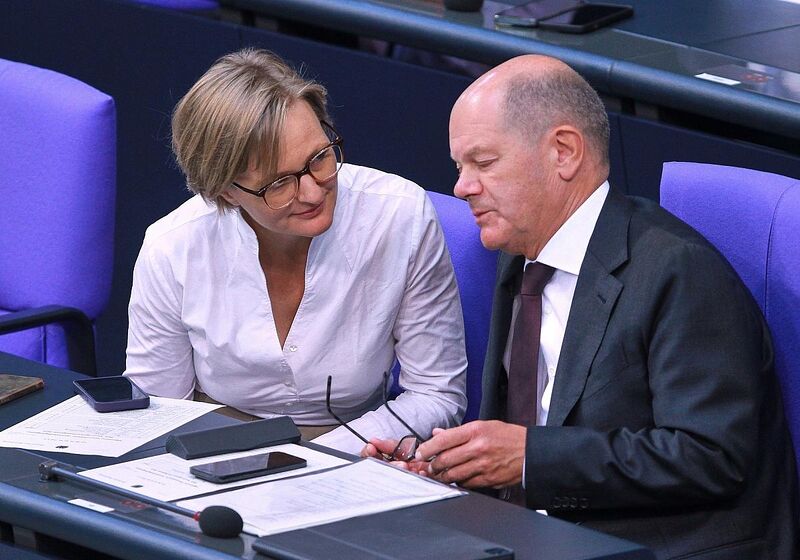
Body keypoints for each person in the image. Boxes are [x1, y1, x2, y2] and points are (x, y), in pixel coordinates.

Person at [366, 55, 799, 558]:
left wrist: (529, 460)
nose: (462, 187)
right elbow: (528, 435)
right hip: (540, 535)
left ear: (564, 152)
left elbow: (711, 457)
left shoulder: (679, 271)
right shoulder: (520, 257)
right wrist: (452, 465)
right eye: (459, 168)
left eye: (483, 163)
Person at [124, 48, 467, 455]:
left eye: (319, 158)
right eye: (279, 183)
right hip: (211, 452)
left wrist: (313, 455)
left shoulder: (399, 216)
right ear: (226, 192)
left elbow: (435, 394)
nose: (312, 192)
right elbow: (157, 410)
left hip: (356, 454)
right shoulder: (172, 246)